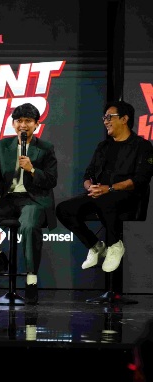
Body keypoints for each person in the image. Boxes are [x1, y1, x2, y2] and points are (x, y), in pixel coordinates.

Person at [0, 102, 58, 305]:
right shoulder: (3, 146)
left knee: (29, 226)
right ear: (13, 123)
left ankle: (31, 280)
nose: (23, 125)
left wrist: (32, 169)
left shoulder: (45, 148)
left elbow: (51, 180)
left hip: (33, 200)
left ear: (36, 125)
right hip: (8, 199)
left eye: (28, 121)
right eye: (19, 121)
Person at [56, 100, 153, 273]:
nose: (105, 121)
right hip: (101, 194)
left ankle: (115, 245)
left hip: (128, 197)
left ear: (124, 119)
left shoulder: (142, 146)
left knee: (106, 199)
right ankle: (95, 246)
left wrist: (109, 188)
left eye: (110, 117)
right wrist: (90, 187)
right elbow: (88, 175)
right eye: (104, 118)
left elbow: (141, 179)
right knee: (63, 209)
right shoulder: (103, 146)